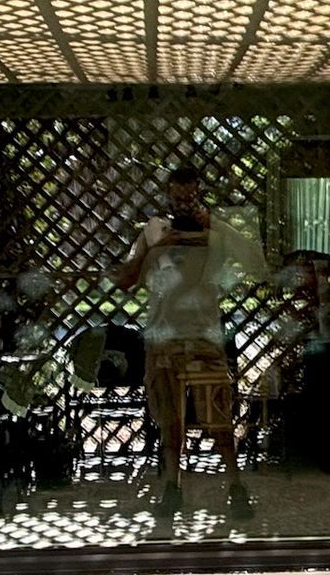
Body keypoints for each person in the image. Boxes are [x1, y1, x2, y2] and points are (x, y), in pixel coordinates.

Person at [110, 166, 266, 519]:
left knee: (219, 416)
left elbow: (257, 265)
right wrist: (158, 246)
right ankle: (171, 488)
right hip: (163, 339)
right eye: (176, 198)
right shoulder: (152, 231)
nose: (182, 204)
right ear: (167, 196)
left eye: (189, 197)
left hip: (204, 337)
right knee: (170, 419)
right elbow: (125, 281)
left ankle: (236, 487)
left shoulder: (215, 231)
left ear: (199, 194)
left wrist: (214, 225)